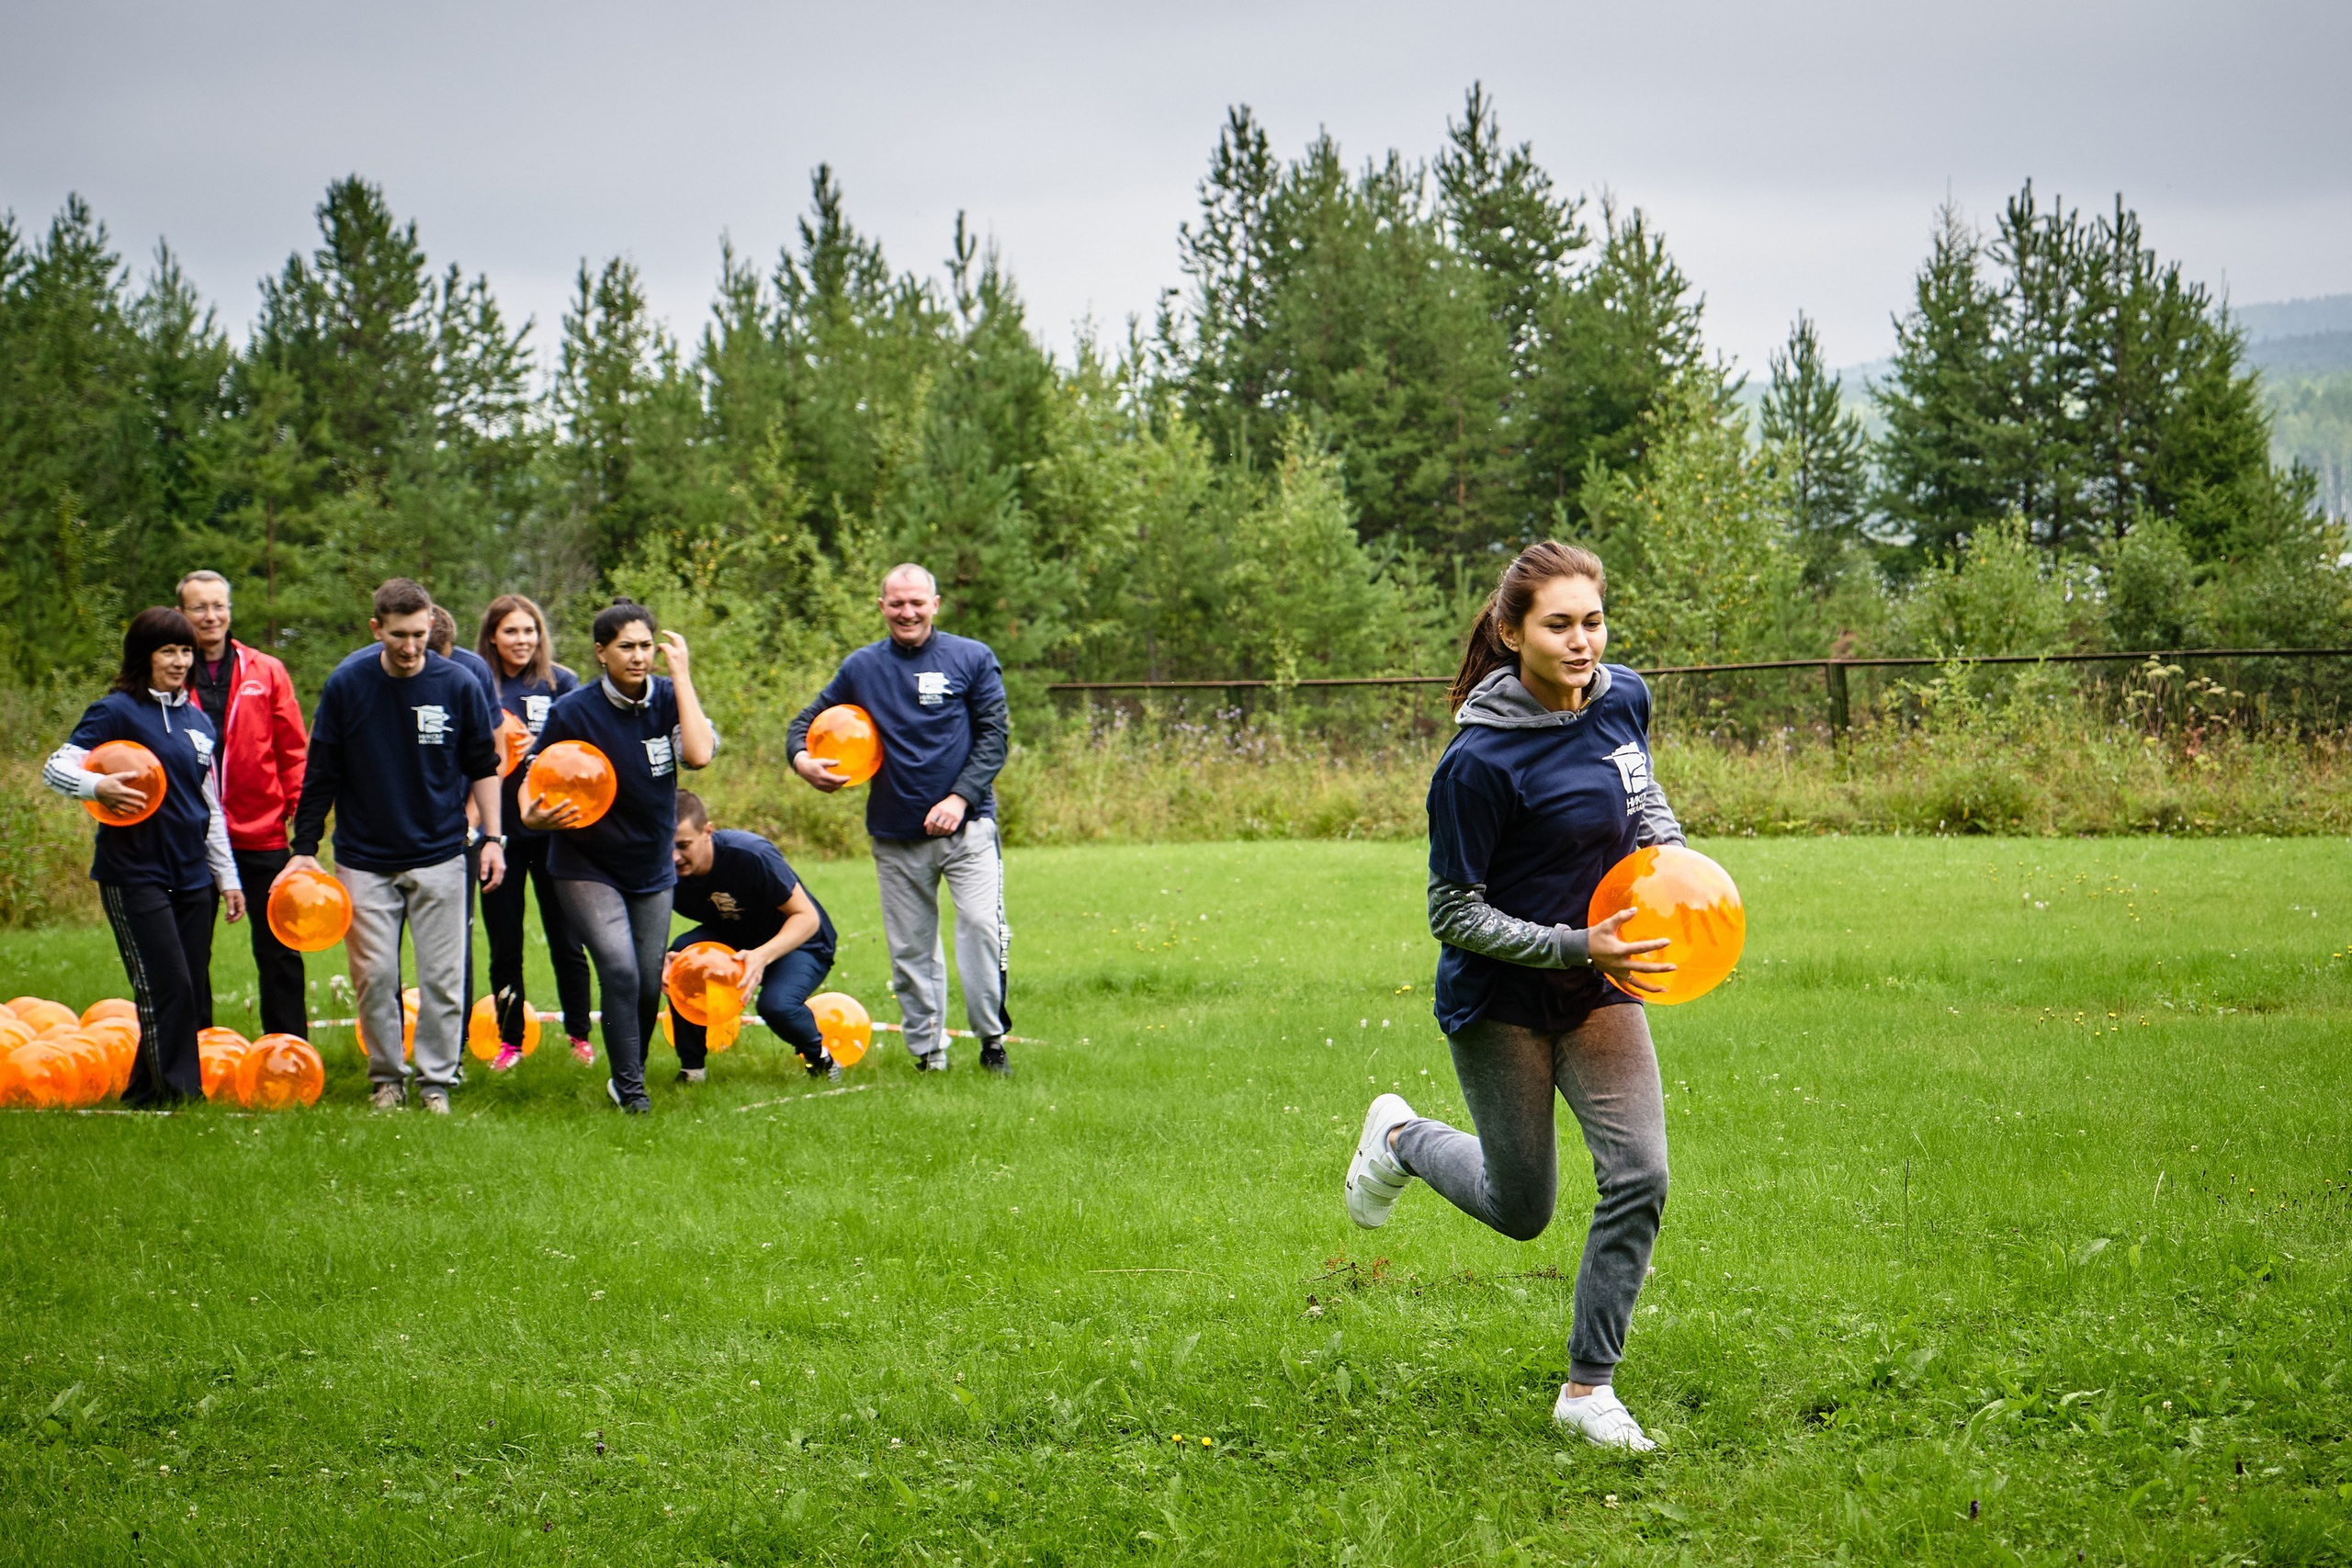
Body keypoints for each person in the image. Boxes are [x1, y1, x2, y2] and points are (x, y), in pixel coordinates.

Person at [1342, 542, 1683, 1453]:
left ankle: (1587, 1389)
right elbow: (1452, 911)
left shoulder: (1623, 698)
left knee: (1639, 1176)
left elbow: (1641, 799)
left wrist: (1670, 857)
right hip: (1500, 1000)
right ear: (1510, 633)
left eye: (1592, 621)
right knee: (1520, 1207)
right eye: (1558, 625)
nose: (1581, 643)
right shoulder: (1478, 763)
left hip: (1602, 985)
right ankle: (1401, 1138)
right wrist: (1574, 939)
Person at [287, 579, 505, 1114]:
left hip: (441, 853)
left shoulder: (458, 684)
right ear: (376, 628)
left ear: (431, 622)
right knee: (375, 976)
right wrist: (304, 846)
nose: (410, 648)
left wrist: (494, 838)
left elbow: (484, 768)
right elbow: (322, 772)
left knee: (443, 980)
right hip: (364, 858)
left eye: (419, 634)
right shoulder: (347, 684)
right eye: (398, 635)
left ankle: (436, 1082)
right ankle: (387, 1078)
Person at [786, 563, 1012, 1076]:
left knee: (981, 927)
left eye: (916, 602)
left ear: (935, 604)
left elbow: (994, 738)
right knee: (911, 950)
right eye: (896, 603)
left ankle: (992, 1040)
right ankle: (929, 1055)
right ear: (882, 607)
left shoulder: (972, 657)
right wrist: (803, 761)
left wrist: (959, 799)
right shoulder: (861, 669)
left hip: (968, 828)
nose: (906, 612)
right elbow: (804, 724)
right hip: (895, 834)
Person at [42, 608, 245, 1103]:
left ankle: (143, 1095)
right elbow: (55, 768)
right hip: (134, 872)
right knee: (167, 986)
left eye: (186, 651)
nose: (179, 661)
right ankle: (182, 1099)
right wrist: (97, 785)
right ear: (144, 656)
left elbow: (210, 806)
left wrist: (228, 877)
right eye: (167, 651)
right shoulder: (114, 712)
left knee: (187, 992)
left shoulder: (198, 721)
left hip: (193, 878)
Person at [522, 601, 715, 1114]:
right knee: (620, 970)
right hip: (586, 864)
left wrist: (683, 676)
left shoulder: (671, 697)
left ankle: (623, 1075)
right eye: (626, 647)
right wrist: (531, 817)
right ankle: (632, 1092)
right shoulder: (574, 711)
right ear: (601, 652)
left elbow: (697, 756)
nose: (638, 656)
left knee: (649, 979)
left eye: (646, 646)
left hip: (651, 865)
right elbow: (533, 778)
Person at [176, 570, 311, 1039]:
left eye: (219, 605)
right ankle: (193, 1054)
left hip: (264, 834)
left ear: (230, 609)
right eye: (199, 607)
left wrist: (302, 822)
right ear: (181, 614)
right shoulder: (170, 672)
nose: (211, 616)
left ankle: (289, 1048)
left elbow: (293, 751)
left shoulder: (265, 670)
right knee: (190, 950)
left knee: (279, 949)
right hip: (190, 836)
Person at [474, 593, 594, 1070]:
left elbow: (582, 754)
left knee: (567, 938)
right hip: (498, 835)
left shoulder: (561, 682)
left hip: (555, 833)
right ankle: (510, 1042)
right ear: (492, 637)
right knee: (505, 943)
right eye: (511, 632)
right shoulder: (478, 683)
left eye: (530, 631)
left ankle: (579, 1036)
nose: (522, 640)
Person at [665, 789, 841, 1084]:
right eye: (665, 847)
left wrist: (760, 956)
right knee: (681, 960)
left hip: (800, 941)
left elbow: (806, 918)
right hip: (735, 934)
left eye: (683, 845)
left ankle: (820, 1059)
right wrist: (661, 960)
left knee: (776, 1005)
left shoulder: (751, 854)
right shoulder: (662, 870)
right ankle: (692, 1070)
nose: (674, 857)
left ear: (707, 832)